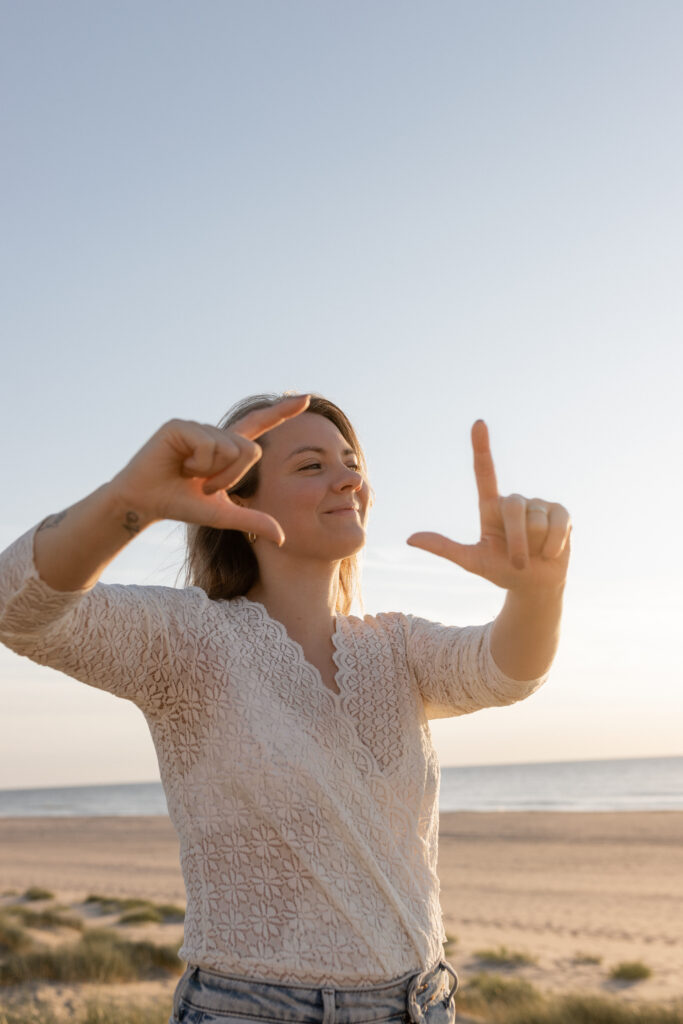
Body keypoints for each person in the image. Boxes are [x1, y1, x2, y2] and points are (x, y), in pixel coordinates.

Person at [0, 391, 571, 1024]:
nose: (350, 477)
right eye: (311, 466)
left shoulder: (397, 646)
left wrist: (539, 589)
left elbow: (506, 671)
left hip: (423, 1003)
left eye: (351, 461)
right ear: (237, 502)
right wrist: (125, 503)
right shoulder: (188, 639)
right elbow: (17, 610)